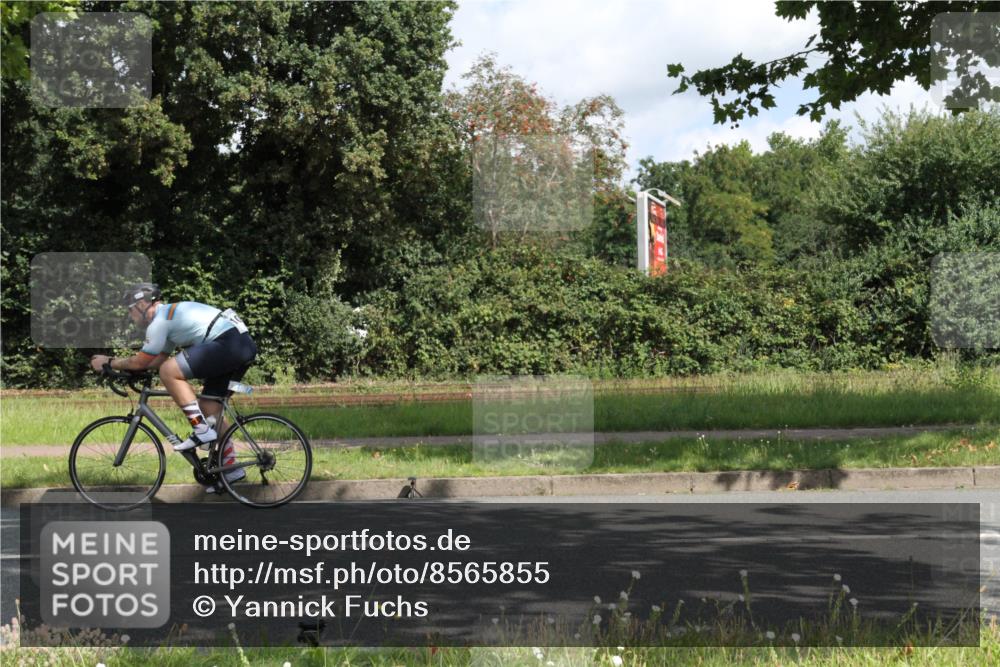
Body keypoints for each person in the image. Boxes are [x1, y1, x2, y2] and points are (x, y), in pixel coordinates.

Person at [90, 282, 257, 490]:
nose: (130, 317)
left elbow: (144, 362)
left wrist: (109, 362)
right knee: (209, 405)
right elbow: (156, 359)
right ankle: (231, 467)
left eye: (130, 311)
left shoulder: (159, 322)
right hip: (239, 344)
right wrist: (130, 371)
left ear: (142, 305)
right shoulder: (168, 319)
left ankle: (200, 428)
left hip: (227, 344)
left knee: (170, 371)